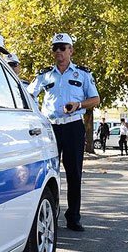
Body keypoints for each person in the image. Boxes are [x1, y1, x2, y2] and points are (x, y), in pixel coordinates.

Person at [27, 32, 100, 232]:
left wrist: (78, 104)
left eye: (63, 47)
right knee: (47, 173)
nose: (58, 51)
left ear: (71, 50)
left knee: (74, 173)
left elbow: (95, 99)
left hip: (73, 127)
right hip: (49, 128)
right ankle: (50, 214)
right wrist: (38, 116)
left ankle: (73, 217)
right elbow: (28, 94)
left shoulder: (83, 74)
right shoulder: (44, 75)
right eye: (55, 48)